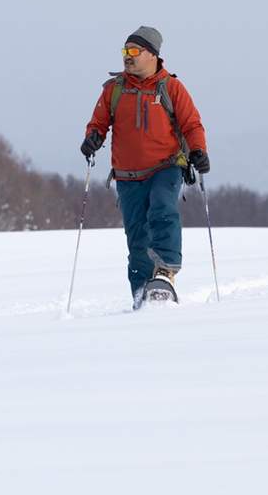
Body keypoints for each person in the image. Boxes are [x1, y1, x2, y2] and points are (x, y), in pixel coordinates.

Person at [80, 26, 210, 306]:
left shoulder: (171, 87)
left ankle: (164, 273)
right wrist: (93, 138)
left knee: (163, 209)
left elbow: (192, 124)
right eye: (125, 51)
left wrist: (198, 151)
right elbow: (99, 122)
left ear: (152, 54)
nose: (128, 56)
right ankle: (141, 291)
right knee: (136, 234)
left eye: (134, 51)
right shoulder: (114, 90)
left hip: (166, 167)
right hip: (127, 175)